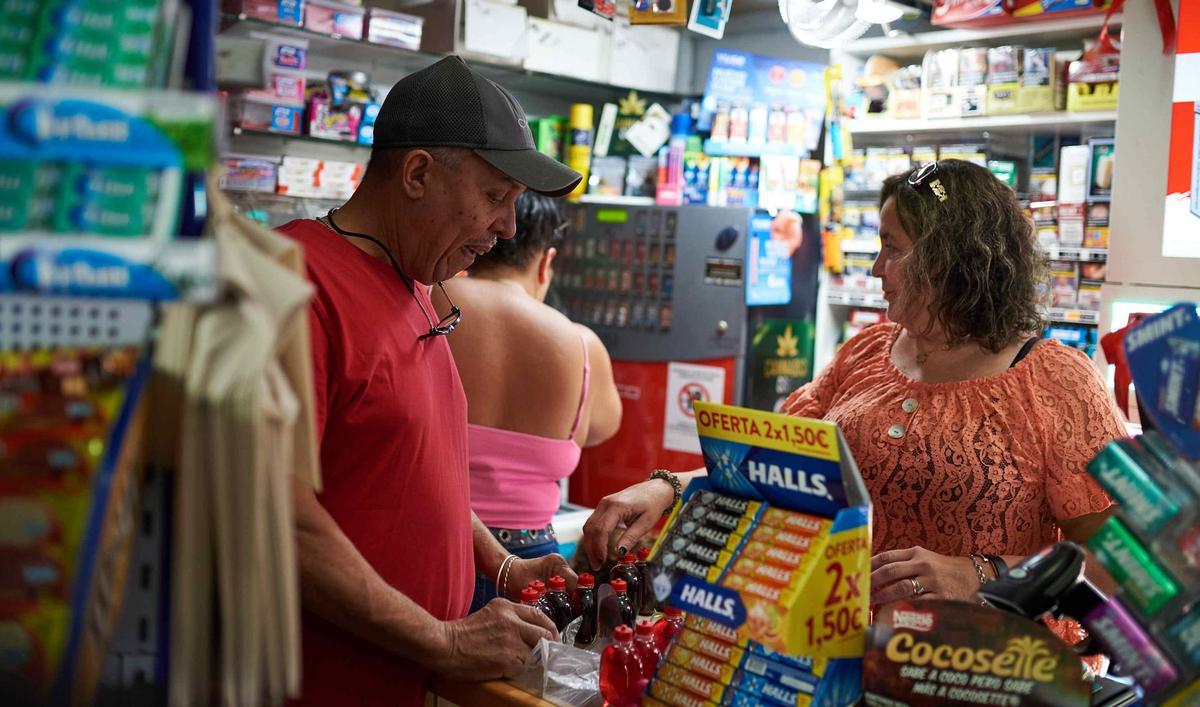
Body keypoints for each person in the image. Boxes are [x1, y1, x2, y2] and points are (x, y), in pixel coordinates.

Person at [583, 159, 1125, 609]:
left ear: (953, 260)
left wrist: (981, 575)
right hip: (838, 657)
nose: (874, 269)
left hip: (974, 671)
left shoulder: (1054, 381)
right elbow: (773, 465)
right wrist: (670, 488)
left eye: (892, 248)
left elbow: (1119, 561)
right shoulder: (868, 352)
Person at [277, 56, 585, 706]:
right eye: (495, 196)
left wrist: (500, 561)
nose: (507, 227)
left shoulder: (416, 285)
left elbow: (415, 468)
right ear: (417, 173)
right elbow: (279, 515)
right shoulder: (298, 284)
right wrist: (445, 642)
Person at [434, 192, 622, 611]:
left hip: (434, 543)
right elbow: (601, 428)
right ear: (545, 263)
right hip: (535, 563)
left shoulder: (431, 306)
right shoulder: (581, 345)